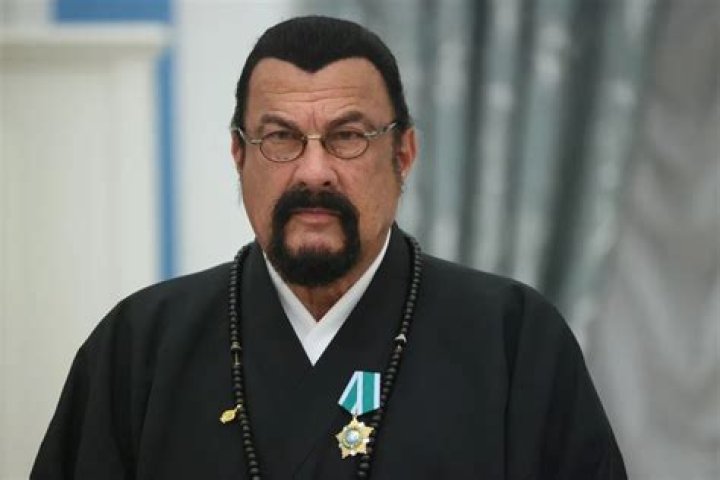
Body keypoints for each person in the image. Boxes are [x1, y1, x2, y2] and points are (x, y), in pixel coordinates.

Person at [31, 15, 626, 480]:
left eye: (347, 136)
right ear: (238, 155)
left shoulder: (514, 340)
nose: (313, 171)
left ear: (403, 154)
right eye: (280, 137)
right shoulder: (141, 347)